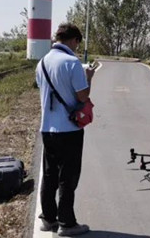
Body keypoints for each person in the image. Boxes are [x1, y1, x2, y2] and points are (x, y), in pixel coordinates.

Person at [35, 23, 95, 236]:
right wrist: (89, 77)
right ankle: (67, 224)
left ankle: (48, 219)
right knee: (67, 177)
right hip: (69, 129)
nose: (77, 48)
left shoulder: (41, 63)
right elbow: (83, 96)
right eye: (78, 44)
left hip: (47, 128)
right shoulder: (72, 63)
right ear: (74, 40)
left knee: (49, 174)